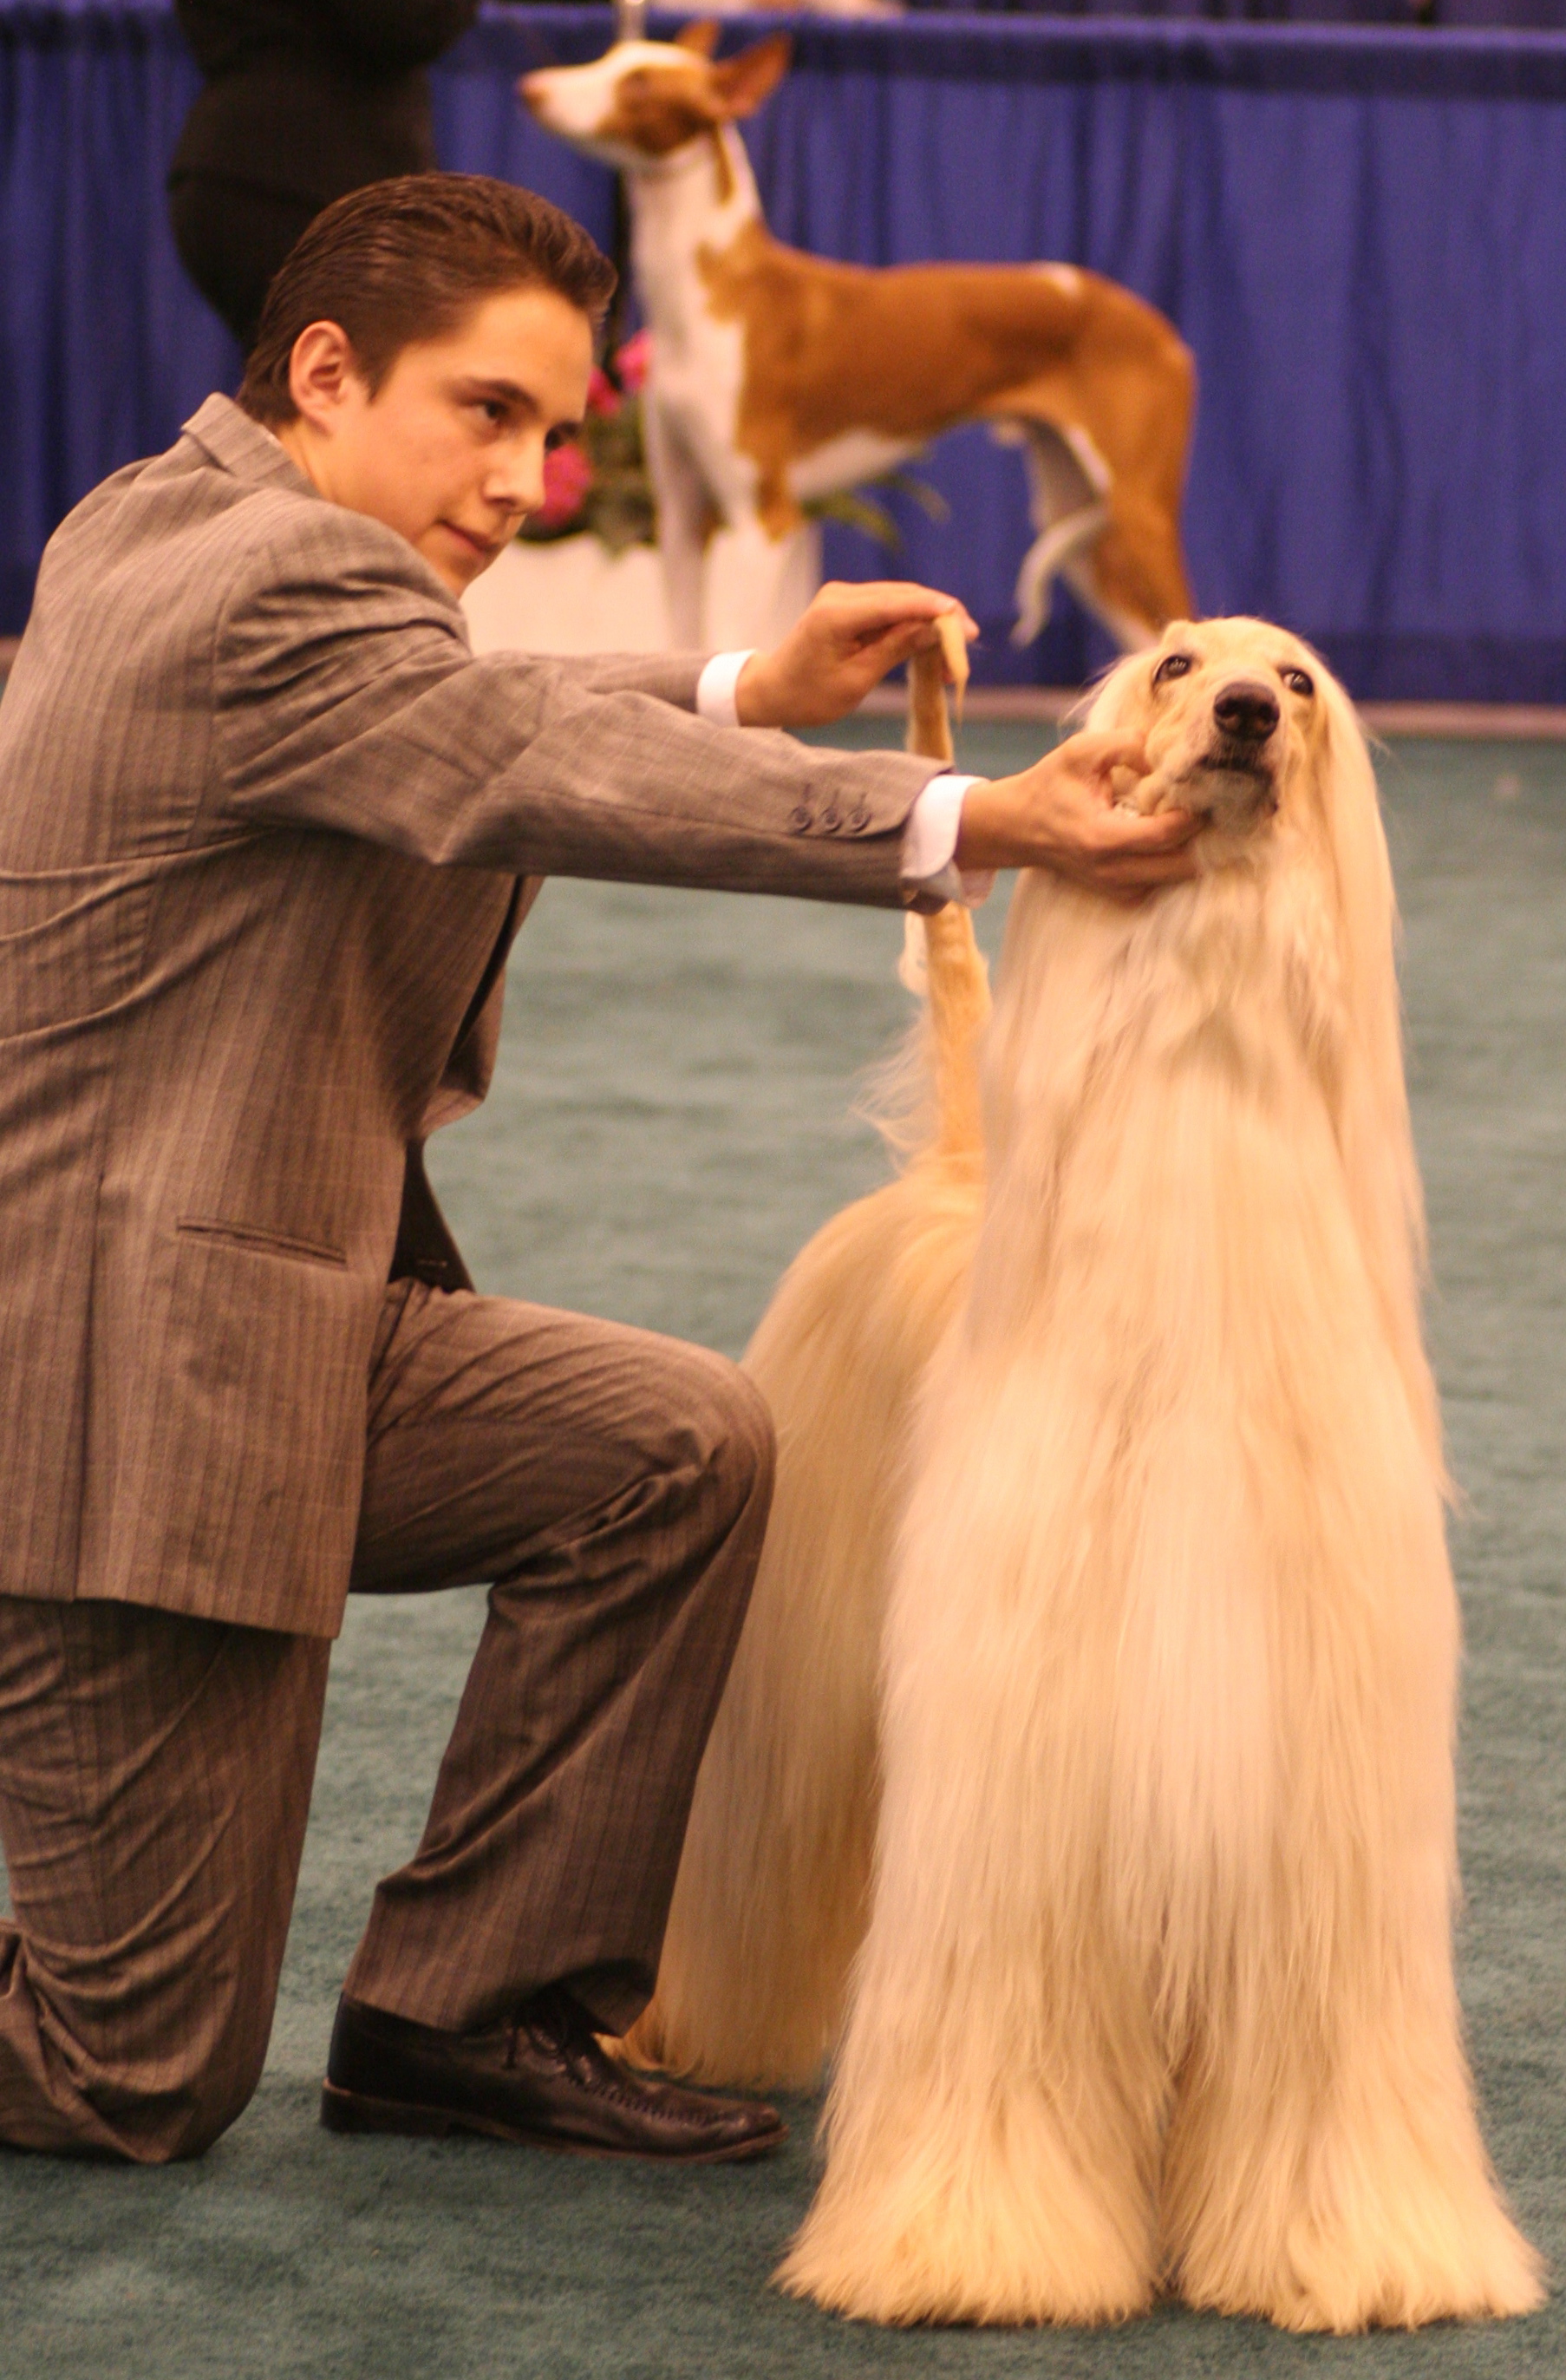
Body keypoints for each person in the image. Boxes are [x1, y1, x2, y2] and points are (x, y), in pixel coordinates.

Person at [0, 173, 1197, 2168]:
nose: (530, 482)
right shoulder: (275, 588)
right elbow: (508, 763)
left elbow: (460, 709)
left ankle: (463, 2012)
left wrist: (744, 687)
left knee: (674, 1445)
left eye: (557, 435)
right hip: (130, 1384)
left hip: (267, 1308)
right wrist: (971, 812)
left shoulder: (162, 506)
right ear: (326, 370)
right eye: (490, 415)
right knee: (129, 2078)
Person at [169, 0, 480, 349]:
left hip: (227, 169)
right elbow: (412, 24)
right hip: (306, 181)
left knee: (284, 372)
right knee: (324, 367)